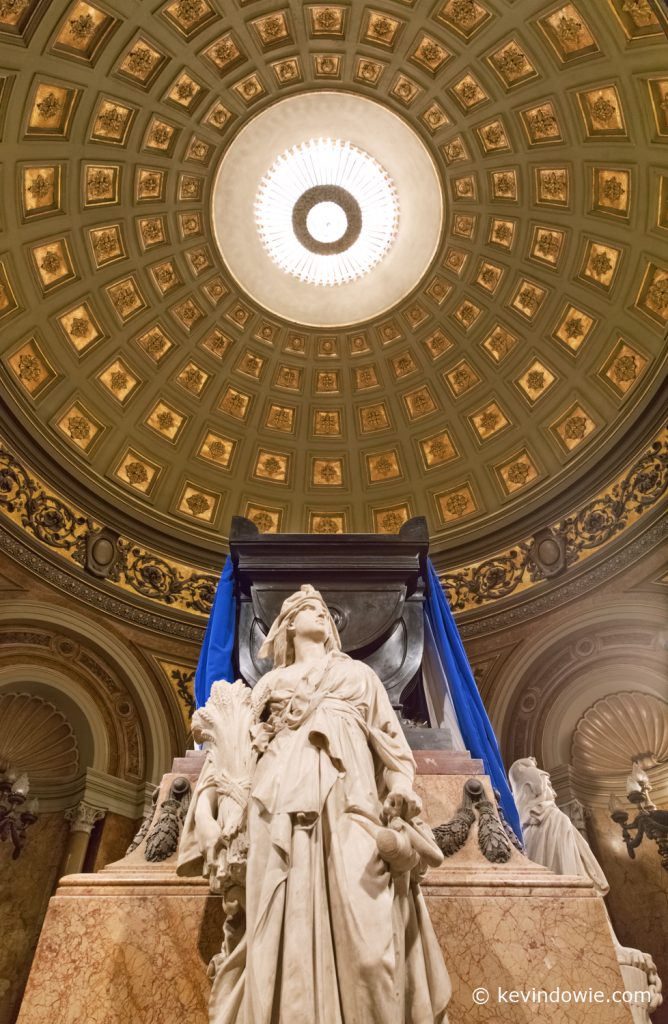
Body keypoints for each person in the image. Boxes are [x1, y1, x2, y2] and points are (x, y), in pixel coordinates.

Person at [178, 584, 451, 1024]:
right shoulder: (268, 684)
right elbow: (232, 753)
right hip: (277, 806)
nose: (321, 613)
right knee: (283, 938)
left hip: (351, 803)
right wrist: (208, 814)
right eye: (309, 608)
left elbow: (393, 745)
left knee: (370, 950)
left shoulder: (360, 676)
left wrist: (400, 785)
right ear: (287, 625)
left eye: (324, 609)